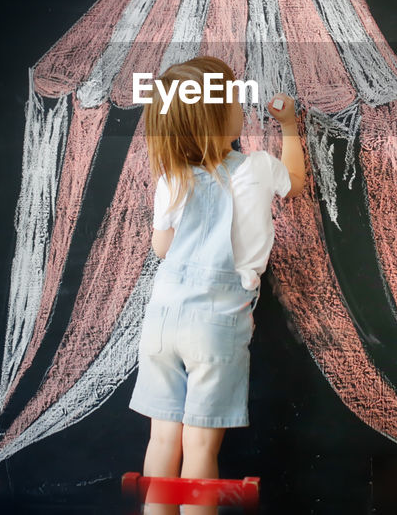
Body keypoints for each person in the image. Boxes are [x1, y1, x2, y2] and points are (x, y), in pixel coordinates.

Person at [129, 56, 305, 515]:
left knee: (162, 439)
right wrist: (288, 126)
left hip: (163, 322)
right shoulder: (259, 167)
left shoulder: (171, 178)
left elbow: (163, 248)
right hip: (216, 324)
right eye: (232, 99)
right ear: (217, 119)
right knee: (202, 449)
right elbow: (297, 183)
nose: (239, 104)